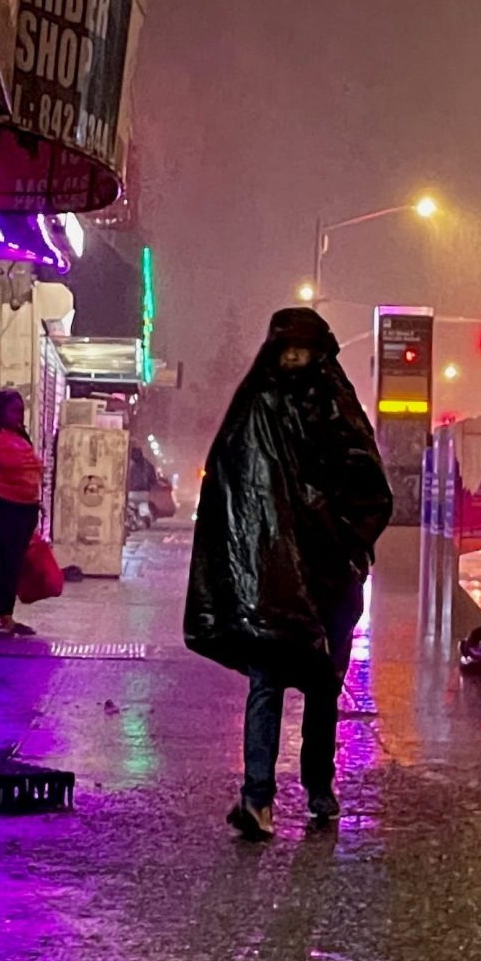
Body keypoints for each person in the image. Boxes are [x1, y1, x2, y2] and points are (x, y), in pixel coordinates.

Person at [184, 306, 394, 840]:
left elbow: (366, 482)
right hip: (273, 577)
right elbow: (234, 486)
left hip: (326, 574)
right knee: (269, 682)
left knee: (322, 687)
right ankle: (258, 798)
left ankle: (318, 789)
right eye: (287, 351)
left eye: (302, 351)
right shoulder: (257, 408)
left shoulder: (333, 407)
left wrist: (346, 542)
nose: (294, 360)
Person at [0, 388, 45, 640]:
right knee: (8, 560)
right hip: (2, 509)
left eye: (20, 411)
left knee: (14, 563)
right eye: (13, 410)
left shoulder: (20, 434)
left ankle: (6, 615)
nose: (17, 415)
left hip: (26, 509)